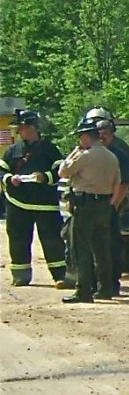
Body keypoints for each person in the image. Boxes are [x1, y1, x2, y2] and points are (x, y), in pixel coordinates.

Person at [0, 109, 67, 287]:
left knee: (53, 240)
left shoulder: (50, 149)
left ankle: (60, 275)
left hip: (45, 205)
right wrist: (9, 178)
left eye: (20, 127)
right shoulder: (13, 150)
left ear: (31, 127)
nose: (18, 131)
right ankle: (20, 275)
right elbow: (2, 170)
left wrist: (45, 177)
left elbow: (60, 171)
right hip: (17, 203)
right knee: (18, 240)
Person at [59, 118, 120, 303]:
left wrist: (75, 152)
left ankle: (83, 290)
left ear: (86, 137)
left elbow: (63, 171)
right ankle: (105, 289)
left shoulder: (85, 155)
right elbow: (117, 183)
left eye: (79, 137)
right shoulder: (111, 156)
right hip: (104, 205)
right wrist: (111, 203)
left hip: (85, 205)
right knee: (102, 249)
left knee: (81, 248)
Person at [97, 118, 129, 295]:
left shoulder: (119, 154)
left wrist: (114, 204)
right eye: (99, 134)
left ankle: (113, 282)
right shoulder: (92, 153)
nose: (102, 137)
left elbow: (125, 182)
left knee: (112, 244)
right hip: (95, 204)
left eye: (106, 133)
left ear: (112, 135)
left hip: (113, 204)